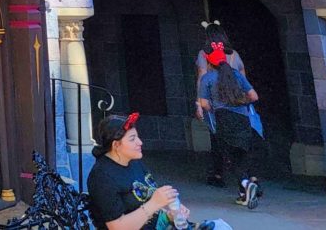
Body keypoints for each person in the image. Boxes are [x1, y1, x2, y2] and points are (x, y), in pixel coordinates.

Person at [86, 112, 233, 230]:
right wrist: (154, 204)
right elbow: (117, 227)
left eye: (137, 137)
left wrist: (171, 213)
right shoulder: (102, 177)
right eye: (132, 139)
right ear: (116, 145)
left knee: (221, 227)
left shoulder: (134, 162)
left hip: (160, 225)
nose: (140, 142)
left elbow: (148, 198)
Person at [197, 43, 262, 209]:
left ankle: (245, 183)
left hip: (223, 118)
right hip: (242, 117)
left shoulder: (208, 78)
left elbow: (204, 104)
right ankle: (244, 193)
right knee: (243, 152)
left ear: (210, 63)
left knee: (229, 156)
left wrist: (214, 107)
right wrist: (239, 102)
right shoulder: (236, 75)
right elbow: (254, 96)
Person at [194, 21, 246, 186]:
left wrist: (199, 103)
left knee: (217, 137)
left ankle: (219, 173)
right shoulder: (233, 54)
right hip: (235, 100)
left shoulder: (204, 54)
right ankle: (245, 176)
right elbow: (242, 76)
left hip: (215, 101)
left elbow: (202, 77)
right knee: (238, 137)